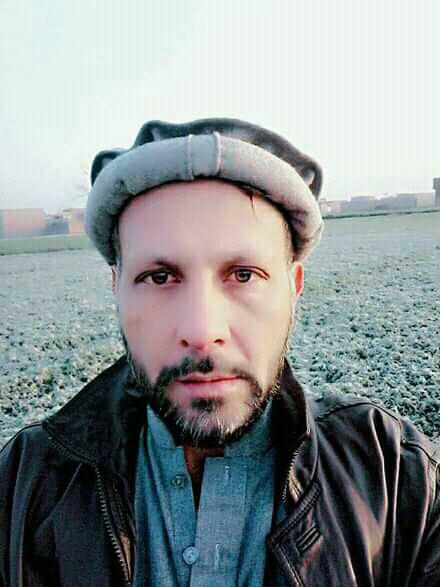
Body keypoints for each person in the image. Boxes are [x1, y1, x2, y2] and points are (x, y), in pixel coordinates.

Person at [1, 117, 439, 587]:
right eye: (160, 277)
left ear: (293, 288)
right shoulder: (24, 483)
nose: (201, 331)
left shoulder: (398, 478)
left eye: (243, 275)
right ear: (117, 289)